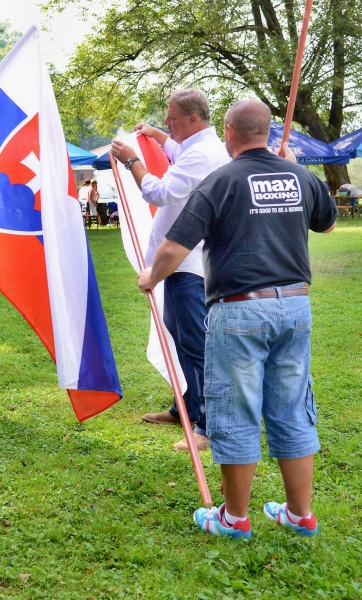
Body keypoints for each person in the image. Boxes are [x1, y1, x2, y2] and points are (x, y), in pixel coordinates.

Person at [138, 99, 337, 538]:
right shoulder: (298, 175)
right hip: (295, 307)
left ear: (228, 131)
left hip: (240, 308)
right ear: (266, 132)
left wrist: (151, 276)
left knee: (235, 410)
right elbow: (326, 224)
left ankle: (234, 518)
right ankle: (300, 514)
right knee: (291, 409)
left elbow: (174, 247)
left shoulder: (221, 180)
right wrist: (295, 168)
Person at [112, 88, 231, 452]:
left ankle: (209, 426)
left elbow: (159, 192)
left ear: (193, 119)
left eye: (172, 117)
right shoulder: (199, 147)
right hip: (179, 264)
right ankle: (188, 408)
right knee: (179, 336)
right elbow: (178, 150)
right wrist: (156, 135)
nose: (167, 121)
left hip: (189, 264)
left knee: (196, 344)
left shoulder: (205, 154)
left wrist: (134, 160)